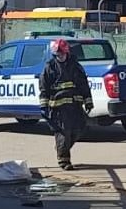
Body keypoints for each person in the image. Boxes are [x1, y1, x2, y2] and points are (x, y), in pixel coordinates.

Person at [38, 38, 92, 170]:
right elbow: (44, 88)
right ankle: (64, 161)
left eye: (62, 54)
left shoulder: (75, 66)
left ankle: (62, 147)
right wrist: (44, 106)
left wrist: (88, 101)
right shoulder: (49, 67)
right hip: (58, 107)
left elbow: (83, 84)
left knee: (79, 129)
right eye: (57, 55)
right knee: (64, 132)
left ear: (67, 53)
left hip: (75, 105)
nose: (60, 57)